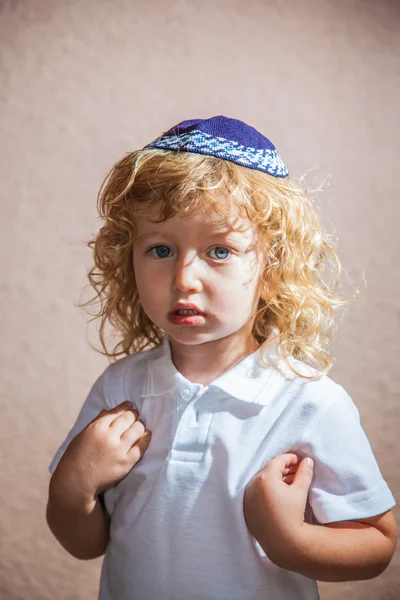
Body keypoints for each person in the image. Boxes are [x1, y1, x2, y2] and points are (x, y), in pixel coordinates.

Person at [46, 116, 397, 600]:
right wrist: (72, 488)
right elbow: (86, 545)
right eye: (161, 248)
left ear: (273, 270)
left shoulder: (310, 402)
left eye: (219, 250)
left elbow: (377, 545)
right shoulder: (120, 389)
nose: (184, 277)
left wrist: (287, 539)